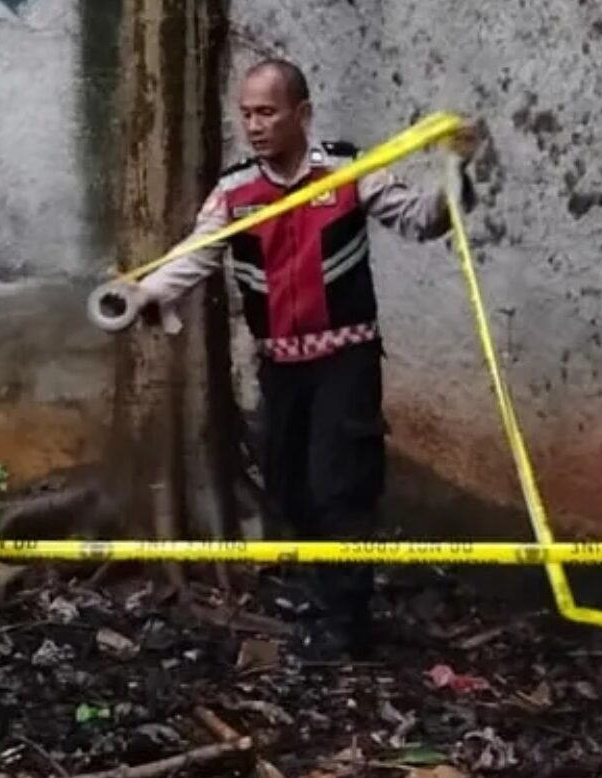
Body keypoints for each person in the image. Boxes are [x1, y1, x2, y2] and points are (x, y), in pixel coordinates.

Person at [109, 59, 480, 658]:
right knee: (288, 484)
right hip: (280, 367)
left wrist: (457, 166)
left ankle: (347, 622)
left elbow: (423, 220)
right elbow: (194, 255)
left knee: (342, 487)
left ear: (301, 114)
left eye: (268, 112)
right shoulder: (235, 192)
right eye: (247, 114)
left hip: (346, 362)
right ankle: (323, 589)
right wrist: (145, 292)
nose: (254, 126)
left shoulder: (349, 171)